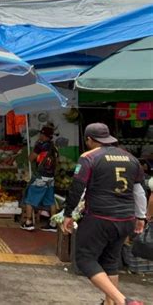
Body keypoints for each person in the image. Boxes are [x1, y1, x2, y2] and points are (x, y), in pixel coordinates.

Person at [61, 123, 147, 305]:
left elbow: (77, 187)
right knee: (110, 262)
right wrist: (141, 217)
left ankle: (123, 301)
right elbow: (139, 191)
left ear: (89, 140)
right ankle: (111, 303)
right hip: (126, 219)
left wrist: (68, 213)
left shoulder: (89, 157)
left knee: (84, 259)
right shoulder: (131, 158)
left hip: (99, 218)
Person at [21, 126, 59, 232]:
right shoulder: (54, 146)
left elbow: (30, 158)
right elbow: (57, 161)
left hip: (40, 177)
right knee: (51, 201)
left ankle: (28, 222)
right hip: (51, 178)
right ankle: (53, 224)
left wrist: (35, 147)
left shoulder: (40, 146)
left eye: (40, 134)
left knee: (30, 199)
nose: (39, 136)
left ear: (43, 135)